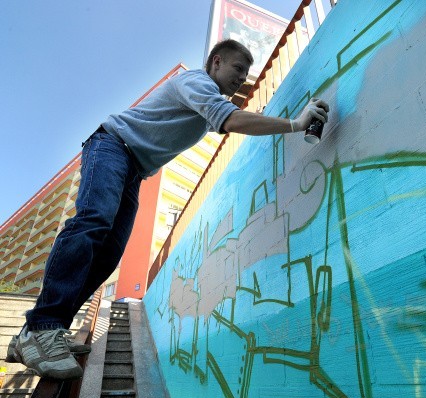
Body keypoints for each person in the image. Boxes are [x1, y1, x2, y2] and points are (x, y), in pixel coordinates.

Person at [9, 39, 329, 379]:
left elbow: (241, 119)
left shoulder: (207, 104)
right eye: (237, 69)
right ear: (216, 62)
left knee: (108, 253)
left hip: (134, 169)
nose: (241, 78)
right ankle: (43, 327)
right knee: (93, 222)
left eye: (246, 73)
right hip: (112, 146)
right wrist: (296, 123)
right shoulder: (196, 82)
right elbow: (234, 122)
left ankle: (39, 333)